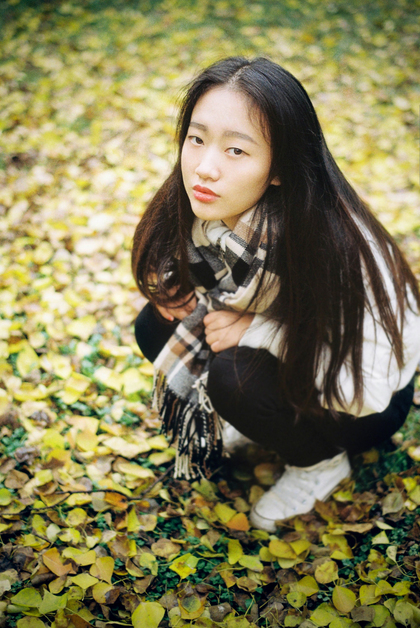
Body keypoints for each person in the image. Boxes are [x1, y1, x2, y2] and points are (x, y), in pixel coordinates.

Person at [131, 57, 420, 532]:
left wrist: (258, 331)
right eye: (197, 139)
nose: (204, 168)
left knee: (235, 376)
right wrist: (177, 287)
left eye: (236, 150)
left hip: (368, 401)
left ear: (280, 168)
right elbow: (186, 269)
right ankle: (260, 420)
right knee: (156, 323)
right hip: (307, 361)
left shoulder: (334, 248)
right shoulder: (209, 215)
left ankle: (320, 463)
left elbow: (366, 391)